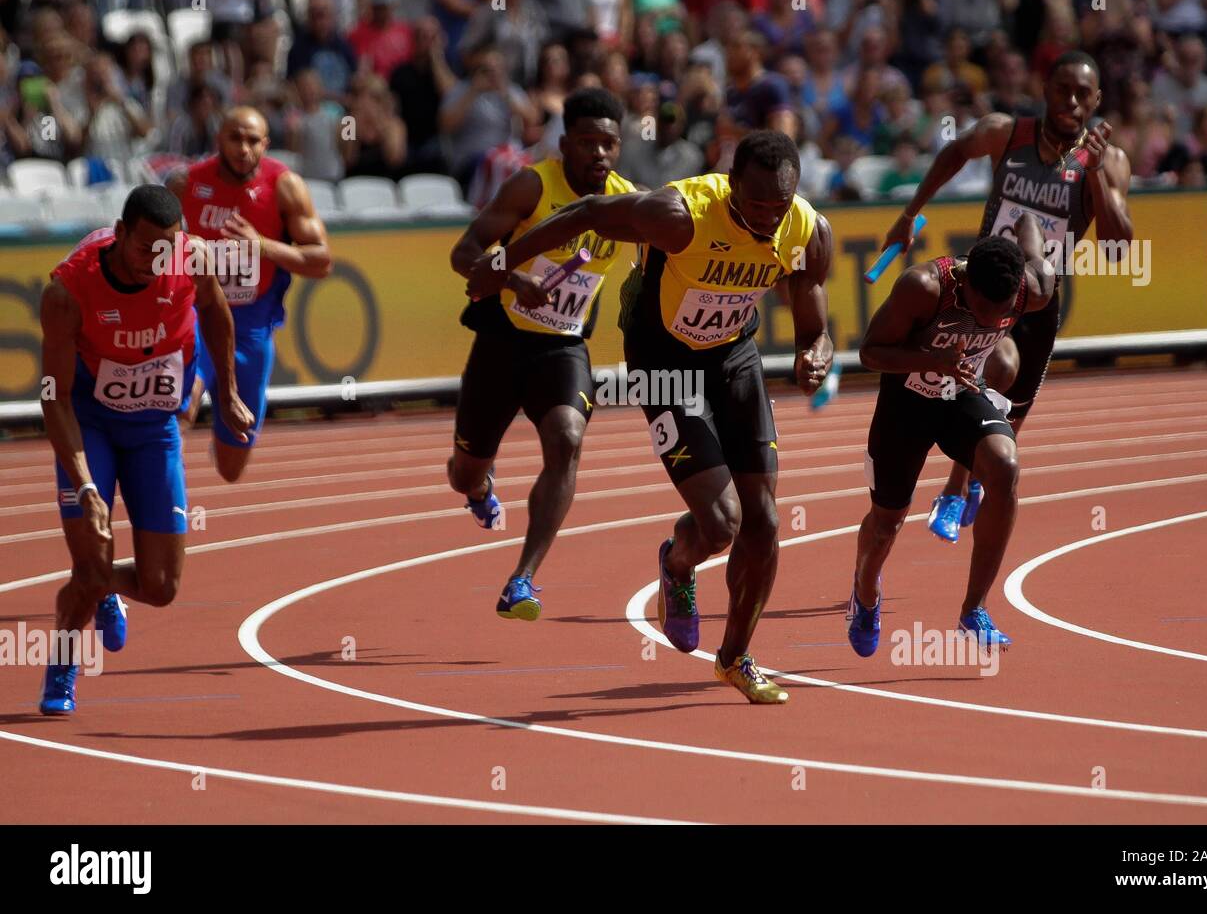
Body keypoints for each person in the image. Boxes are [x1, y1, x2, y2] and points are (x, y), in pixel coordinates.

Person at [474, 130, 834, 704]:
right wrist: (500, 262)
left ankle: (736, 658)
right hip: (666, 362)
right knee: (721, 523)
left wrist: (814, 352)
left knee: (763, 521)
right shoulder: (681, 214)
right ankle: (678, 562)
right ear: (731, 184)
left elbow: (814, 313)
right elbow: (586, 213)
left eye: (780, 205)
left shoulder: (806, 230)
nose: (769, 217)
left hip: (735, 357)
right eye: (758, 203)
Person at [881, 49, 1133, 543]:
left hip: (1039, 300)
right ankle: (954, 492)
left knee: (1008, 420)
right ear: (1045, 89)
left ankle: (962, 485)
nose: (1072, 101)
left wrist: (1098, 173)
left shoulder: (1111, 161)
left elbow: (1119, 247)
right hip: (986, 289)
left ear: (1097, 99)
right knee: (999, 366)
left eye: (1084, 93)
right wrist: (911, 212)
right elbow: (955, 152)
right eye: (1063, 89)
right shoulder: (1006, 133)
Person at [37, 185, 254, 714]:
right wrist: (85, 484)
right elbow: (54, 397)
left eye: (167, 249)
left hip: (154, 426)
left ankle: (100, 586)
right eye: (145, 249)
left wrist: (225, 392)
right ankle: (63, 665)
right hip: (91, 422)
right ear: (119, 232)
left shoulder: (193, 260)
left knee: (160, 587)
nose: (157, 261)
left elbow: (219, 318)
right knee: (90, 556)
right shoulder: (70, 290)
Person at [451, 88, 636, 621]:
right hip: (502, 343)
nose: (599, 154)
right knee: (464, 472)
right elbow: (464, 253)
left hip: (563, 347)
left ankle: (522, 579)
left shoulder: (625, 202)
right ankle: (479, 486)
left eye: (609, 144)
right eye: (587, 143)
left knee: (567, 439)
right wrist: (512, 278)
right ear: (564, 145)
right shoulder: (533, 185)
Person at [849, 213, 1055, 655]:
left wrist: (1025, 222)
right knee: (886, 524)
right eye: (982, 311)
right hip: (907, 401)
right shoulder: (925, 287)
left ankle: (973, 609)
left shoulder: (1032, 289)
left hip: (960, 393)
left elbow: (1032, 236)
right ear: (966, 284)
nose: (991, 321)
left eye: (1002, 314)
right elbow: (870, 352)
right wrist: (931, 360)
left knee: (1005, 466)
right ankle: (865, 592)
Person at [170, 106, 332, 482]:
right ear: (218, 141)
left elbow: (321, 261)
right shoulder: (184, 185)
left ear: (266, 144)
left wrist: (263, 246)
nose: (244, 149)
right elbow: (151, 249)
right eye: (235, 139)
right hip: (196, 315)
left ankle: (219, 440)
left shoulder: (284, 186)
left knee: (232, 466)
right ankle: (163, 504)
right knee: (183, 403)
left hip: (250, 327)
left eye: (253, 141)